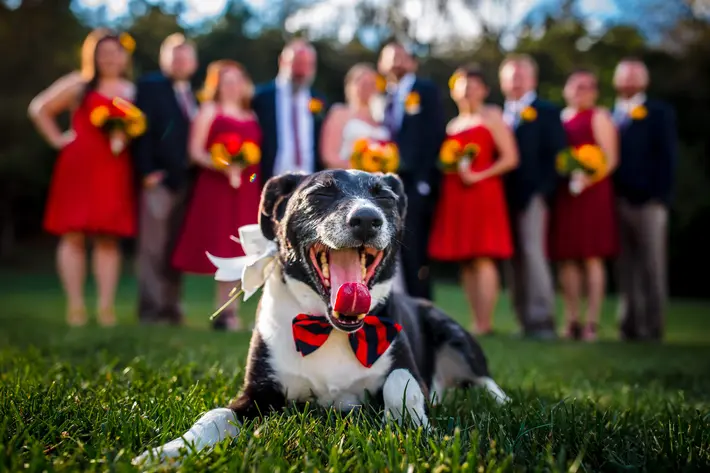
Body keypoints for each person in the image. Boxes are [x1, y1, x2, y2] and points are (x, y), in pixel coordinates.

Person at [28, 28, 137, 327]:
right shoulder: (78, 84)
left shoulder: (131, 90)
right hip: (79, 166)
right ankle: (75, 306)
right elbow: (39, 108)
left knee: (108, 238)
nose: (110, 58)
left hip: (114, 168)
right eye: (103, 53)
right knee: (73, 234)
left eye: (115, 53)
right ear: (93, 56)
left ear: (124, 56)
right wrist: (58, 139)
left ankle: (105, 309)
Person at [171, 60, 262, 331]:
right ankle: (225, 313)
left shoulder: (251, 116)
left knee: (241, 251)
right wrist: (223, 166)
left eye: (238, 81)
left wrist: (244, 171)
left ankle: (231, 312)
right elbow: (195, 151)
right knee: (222, 249)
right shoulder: (209, 111)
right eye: (227, 82)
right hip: (217, 189)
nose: (233, 87)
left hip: (246, 190)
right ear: (217, 85)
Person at [428, 65, 519, 335]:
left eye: (474, 85)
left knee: (483, 257)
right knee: (465, 258)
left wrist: (480, 175)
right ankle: (475, 320)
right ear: (454, 91)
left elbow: (511, 158)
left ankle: (485, 322)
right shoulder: (452, 125)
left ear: (485, 90)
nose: (468, 91)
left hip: (483, 192)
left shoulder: (492, 117)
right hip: (456, 194)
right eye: (463, 85)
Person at [499, 53, 567, 340]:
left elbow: (558, 156)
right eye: (511, 76)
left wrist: (543, 192)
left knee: (533, 253)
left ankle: (543, 321)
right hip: (503, 199)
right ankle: (523, 319)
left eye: (521, 75)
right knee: (512, 261)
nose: (516, 81)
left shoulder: (547, 111)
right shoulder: (500, 113)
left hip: (534, 198)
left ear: (533, 79)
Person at [548, 69, 619, 341]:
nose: (582, 91)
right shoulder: (561, 118)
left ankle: (592, 322)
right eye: (576, 85)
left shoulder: (598, 116)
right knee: (567, 258)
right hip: (566, 195)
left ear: (596, 92)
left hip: (592, 194)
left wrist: (586, 178)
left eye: (588, 86)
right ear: (566, 89)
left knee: (592, 256)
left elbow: (610, 158)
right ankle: (571, 319)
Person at [132, 33, 198, 326]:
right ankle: (152, 311)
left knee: (175, 249)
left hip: (187, 183)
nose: (180, 60)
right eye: (174, 54)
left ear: (194, 62)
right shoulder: (150, 86)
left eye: (185, 55)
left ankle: (171, 308)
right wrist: (146, 171)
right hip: (158, 181)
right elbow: (141, 130)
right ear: (163, 59)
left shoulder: (193, 95)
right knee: (153, 249)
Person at [612, 58, 678, 341]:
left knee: (652, 266)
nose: (629, 81)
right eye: (624, 76)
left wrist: (659, 197)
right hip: (617, 201)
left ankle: (653, 328)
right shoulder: (610, 114)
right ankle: (629, 327)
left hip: (649, 203)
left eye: (634, 76)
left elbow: (668, 158)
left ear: (644, 81)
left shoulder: (658, 112)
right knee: (625, 268)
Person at [377, 41, 445, 301]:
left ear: (413, 62)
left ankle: (421, 306)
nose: (396, 62)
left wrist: (425, 180)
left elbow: (436, 133)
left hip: (415, 184)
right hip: (383, 184)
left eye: (401, 56)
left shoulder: (425, 90)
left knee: (415, 248)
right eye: (390, 57)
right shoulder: (381, 96)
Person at [251, 39, 328, 183]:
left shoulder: (318, 99)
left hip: (309, 181)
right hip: (270, 180)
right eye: (297, 63)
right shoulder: (261, 97)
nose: (301, 71)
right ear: (282, 61)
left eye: (307, 65)